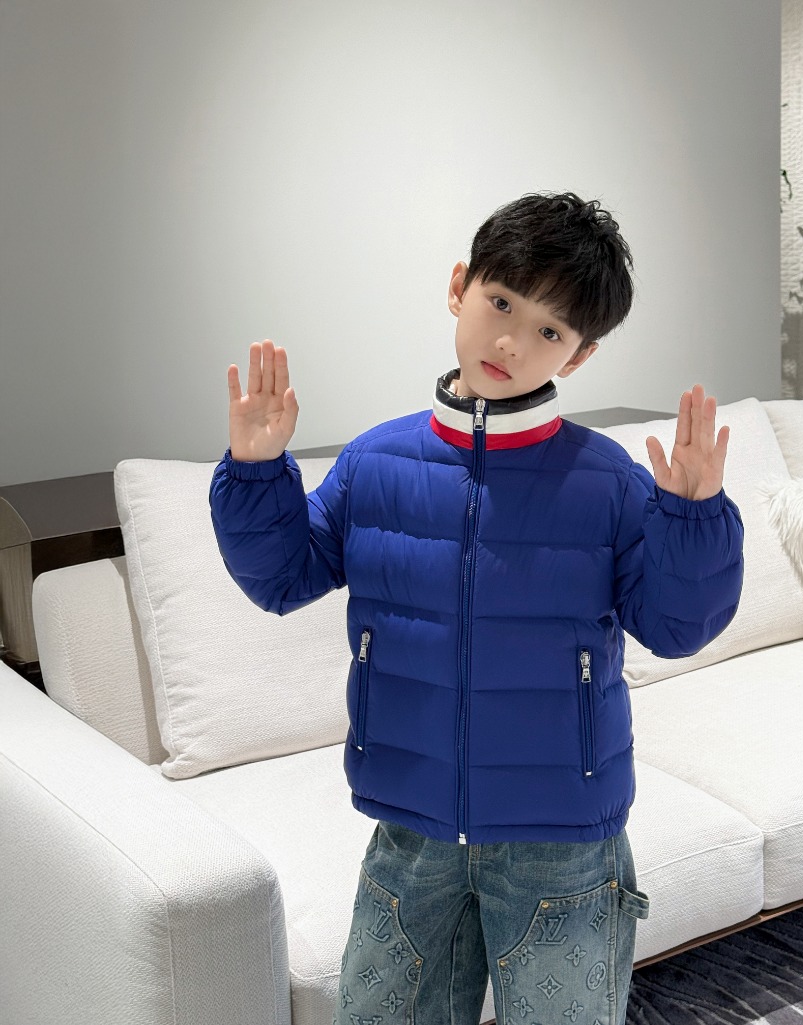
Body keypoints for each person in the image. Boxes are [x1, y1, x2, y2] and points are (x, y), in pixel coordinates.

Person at [209, 192, 744, 1025]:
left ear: (580, 354)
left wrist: (695, 519)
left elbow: (677, 627)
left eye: (549, 331)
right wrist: (255, 470)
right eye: (501, 302)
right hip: (411, 833)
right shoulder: (375, 463)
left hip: (564, 849)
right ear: (459, 286)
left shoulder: (607, 481)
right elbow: (280, 577)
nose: (511, 342)